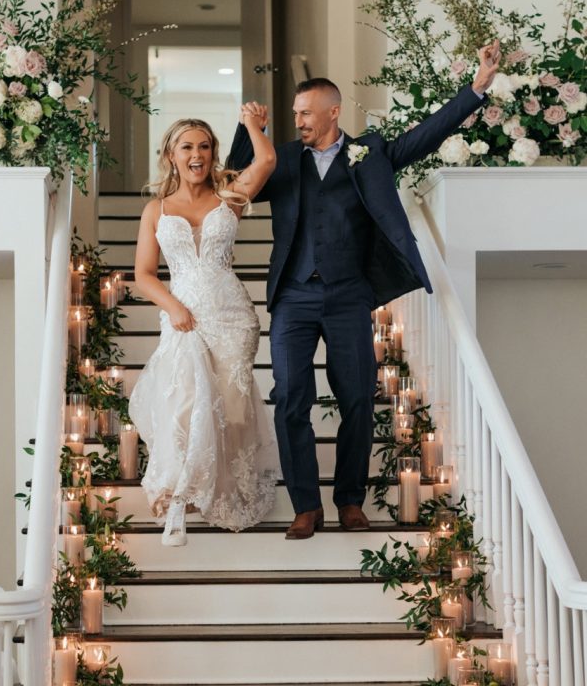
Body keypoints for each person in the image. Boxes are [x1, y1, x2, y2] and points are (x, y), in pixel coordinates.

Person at [226, 41, 501, 540]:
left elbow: (426, 136)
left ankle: (350, 500)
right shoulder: (281, 159)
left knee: (356, 397)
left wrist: (477, 88)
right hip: (292, 296)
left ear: (333, 112)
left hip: (349, 295)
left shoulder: (369, 154)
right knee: (290, 398)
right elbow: (235, 180)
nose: (298, 121)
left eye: (306, 113)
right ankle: (306, 506)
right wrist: (250, 131)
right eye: (295, 113)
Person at [129, 106, 280, 546]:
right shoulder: (156, 210)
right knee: (185, 402)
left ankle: (219, 489)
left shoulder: (229, 196)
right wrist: (173, 306)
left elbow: (267, 161)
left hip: (232, 317)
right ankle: (178, 499)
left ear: (213, 153)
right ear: (171, 155)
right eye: (187, 147)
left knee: (230, 409)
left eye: (205, 146)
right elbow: (143, 274)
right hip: (183, 316)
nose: (196, 154)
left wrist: (252, 125)